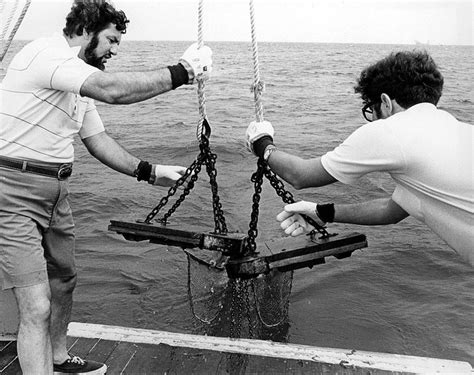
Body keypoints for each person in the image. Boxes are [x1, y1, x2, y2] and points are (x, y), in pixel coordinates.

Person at [0, 1, 212, 374]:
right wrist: (184, 72)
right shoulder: (45, 54)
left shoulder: (76, 79)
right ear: (85, 30)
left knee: (65, 280)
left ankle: (58, 359)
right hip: (11, 190)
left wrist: (149, 170)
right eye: (111, 40)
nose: (114, 50)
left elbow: (98, 141)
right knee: (36, 306)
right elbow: (113, 91)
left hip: (56, 192)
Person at [245, 50, 473, 267]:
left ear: (385, 102)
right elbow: (392, 211)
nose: (372, 120)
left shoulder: (392, 130)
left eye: (370, 110)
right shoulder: (457, 130)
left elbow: (300, 175)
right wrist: (322, 212)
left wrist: (262, 144)